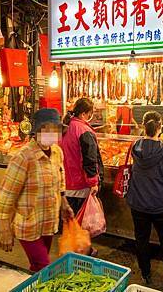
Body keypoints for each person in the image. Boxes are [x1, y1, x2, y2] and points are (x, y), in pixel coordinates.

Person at [0, 108, 73, 271]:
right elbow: (6, 195)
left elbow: (60, 178)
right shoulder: (23, 156)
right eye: (46, 129)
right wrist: (4, 229)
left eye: (55, 129)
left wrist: (64, 203)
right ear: (37, 132)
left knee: (37, 266)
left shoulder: (57, 152)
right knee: (44, 267)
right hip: (28, 223)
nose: (51, 134)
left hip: (49, 220)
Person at [127, 111, 163, 287]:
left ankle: (145, 274)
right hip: (161, 204)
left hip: (138, 203)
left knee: (141, 240)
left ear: (144, 126)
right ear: (160, 127)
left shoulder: (135, 146)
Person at [62, 97, 103, 256]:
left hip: (66, 184)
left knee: (71, 221)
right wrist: (93, 182)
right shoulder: (84, 131)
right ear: (85, 113)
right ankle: (81, 253)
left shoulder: (64, 127)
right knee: (80, 222)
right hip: (80, 184)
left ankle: (75, 249)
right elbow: (90, 160)